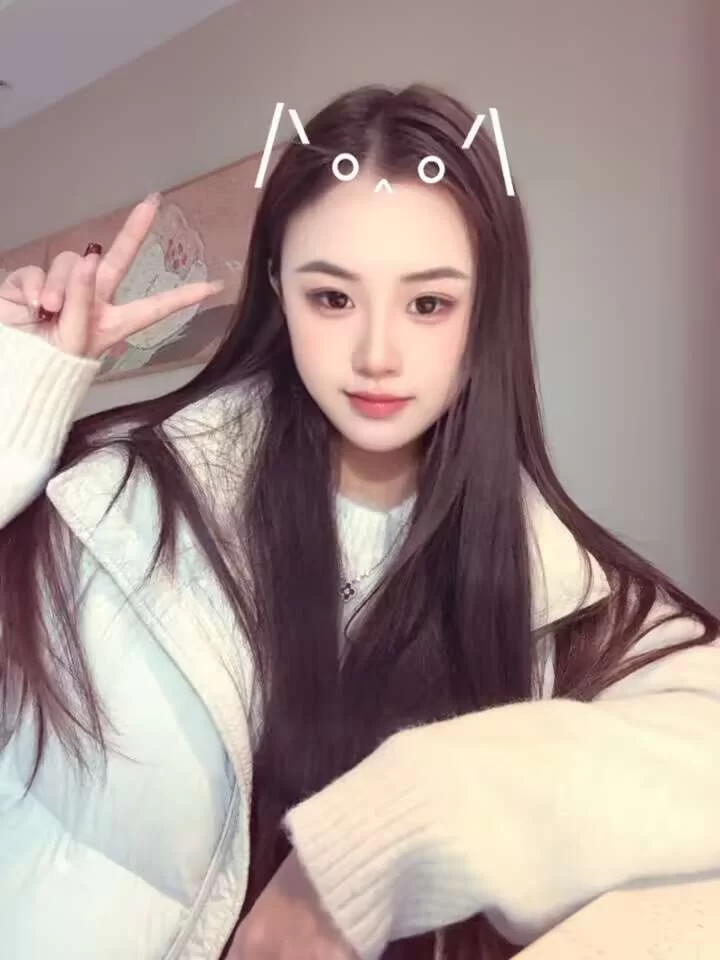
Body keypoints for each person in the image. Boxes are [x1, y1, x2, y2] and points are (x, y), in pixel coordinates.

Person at [0, 82, 718, 960]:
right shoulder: (117, 498)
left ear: (487, 309)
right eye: (333, 299)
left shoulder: (562, 590)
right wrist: (14, 393)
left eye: (428, 304)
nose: (378, 354)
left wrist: (403, 823)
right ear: (279, 288)